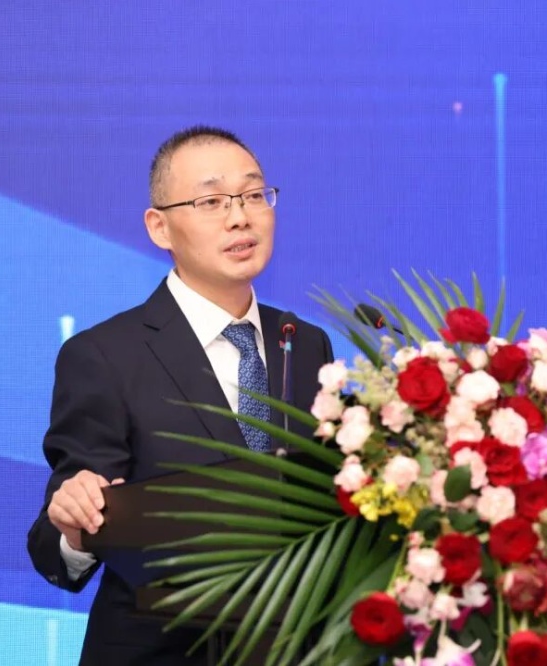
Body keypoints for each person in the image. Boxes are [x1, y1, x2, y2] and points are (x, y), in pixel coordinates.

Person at [27, 126, 334, 665]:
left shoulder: (305, 343)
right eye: (211, 201)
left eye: (253, 195)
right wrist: (74, 530)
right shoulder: (103, 356)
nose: (240, 217)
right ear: (159, 227)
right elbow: (54, 542)